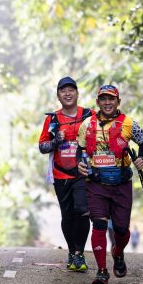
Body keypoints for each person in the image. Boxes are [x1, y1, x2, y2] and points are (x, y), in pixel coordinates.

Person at [77, 84, 143, 284]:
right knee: (99, 224)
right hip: (96, 183)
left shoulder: (128, 123)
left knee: (121, 229)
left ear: (118, 101)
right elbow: (80, 149)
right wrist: (80, 163)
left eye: (111, 99)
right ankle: (102, 270)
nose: (107, 103)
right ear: (97, 102)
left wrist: (141, 158)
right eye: (103, 99)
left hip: (121, 184)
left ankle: (118, 252)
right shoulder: (87, 124)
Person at [39, 77, 93, 272]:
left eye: (71, 90)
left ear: (77, 93)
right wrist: (56, 141)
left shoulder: (89, 115)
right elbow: (42, 147)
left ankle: (79, 253)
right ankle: (71, 251)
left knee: (82, 210)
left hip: (83, 173)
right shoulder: (52, 119)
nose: (67, 94)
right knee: (67, 215)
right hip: (60, 174)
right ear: (58, 95)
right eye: (63, 91)